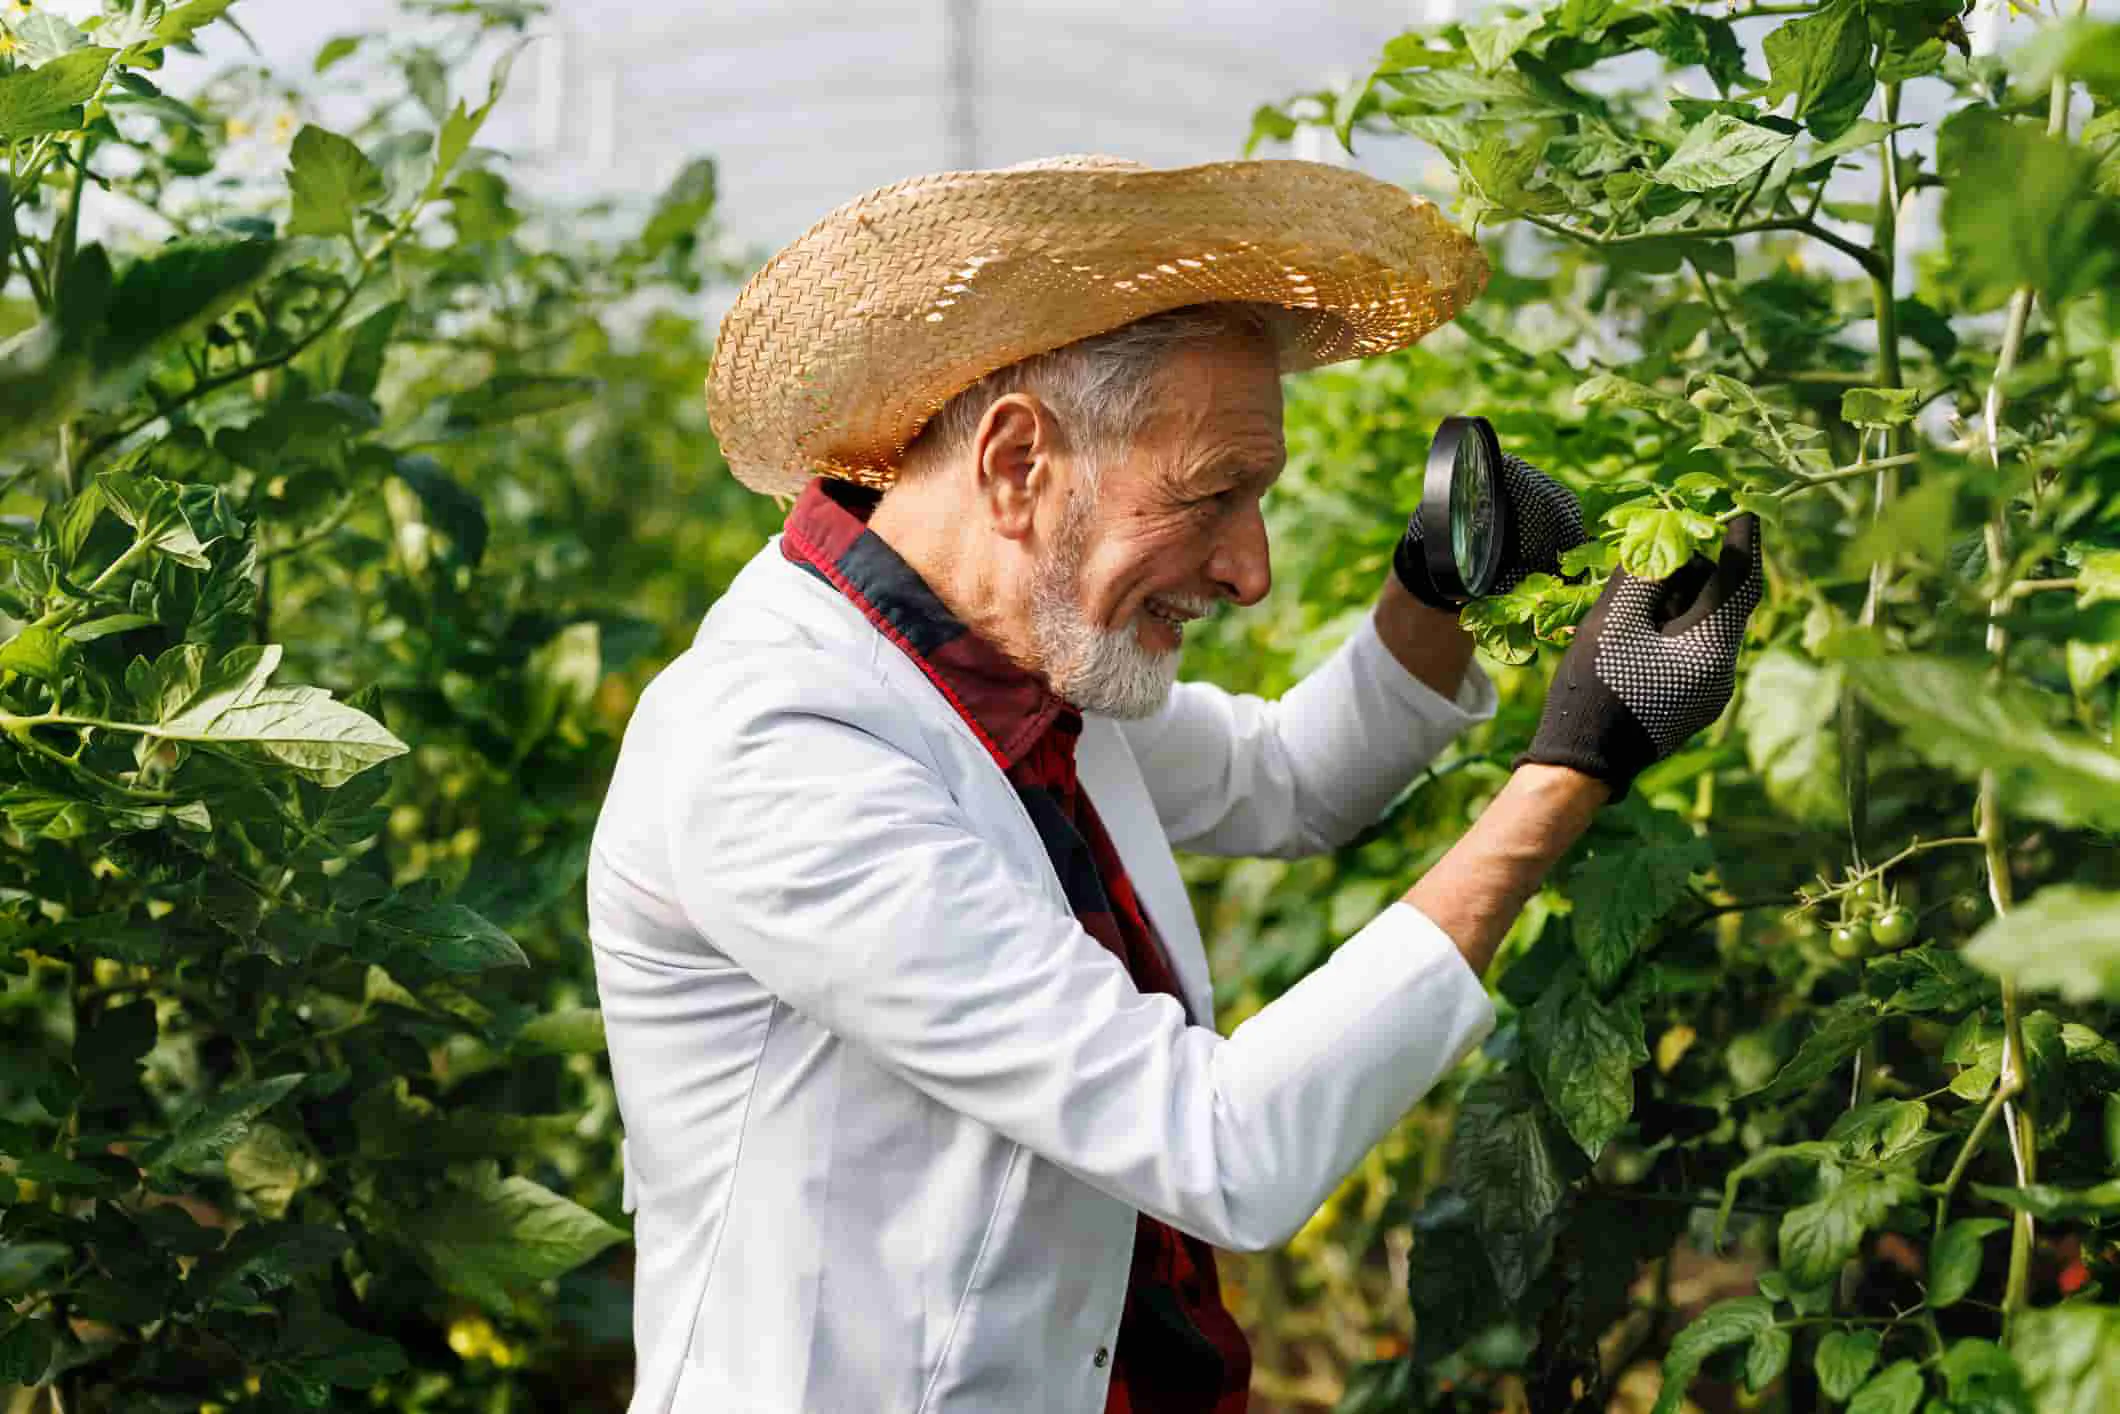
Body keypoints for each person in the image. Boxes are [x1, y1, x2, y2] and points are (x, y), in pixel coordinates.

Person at [587, 155, 1764, 1414]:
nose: (1249, 571)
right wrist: (1571, 767)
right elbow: (1217, 1144)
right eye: (1212, 494)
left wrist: (1439, 586)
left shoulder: (1009, 660)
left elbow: (1285, 780)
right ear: (1017, 464)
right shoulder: (779, 750)